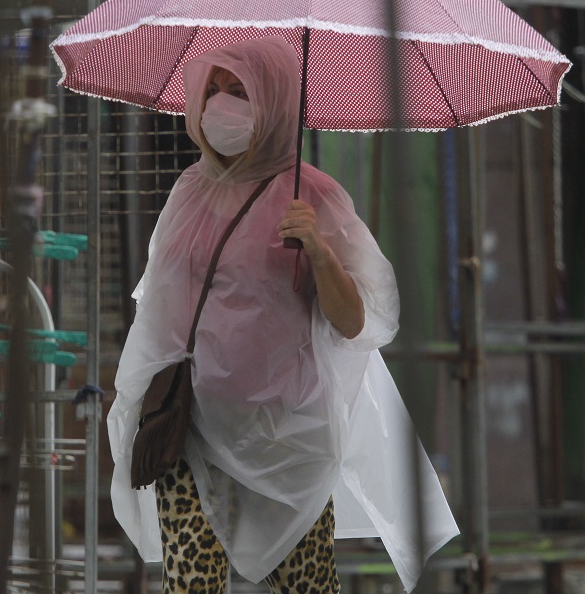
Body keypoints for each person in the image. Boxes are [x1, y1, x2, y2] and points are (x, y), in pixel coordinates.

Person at [107, 36, 458, 593]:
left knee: (305, 585)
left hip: (284, 439)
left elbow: (359, 322)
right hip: (189, 424)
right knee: (191, 583)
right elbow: (158, 303)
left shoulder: (313, 196)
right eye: (213, 90)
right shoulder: (190, 190)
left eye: (240, 91)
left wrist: (318, 250)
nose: (220, 105)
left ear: (271, 103)